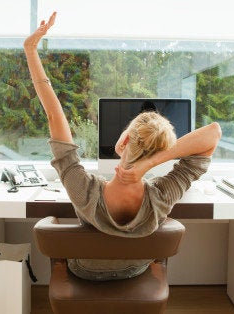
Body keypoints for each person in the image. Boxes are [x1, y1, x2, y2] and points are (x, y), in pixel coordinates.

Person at [24, 12, 222, 281]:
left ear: (123, 141)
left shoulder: (84, 188)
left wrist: (30, 49)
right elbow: (213, 133)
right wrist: (150, 164)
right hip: (135, 271)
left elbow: (54, 116)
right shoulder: (163, 194)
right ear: (160, 150)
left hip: (85, 272)